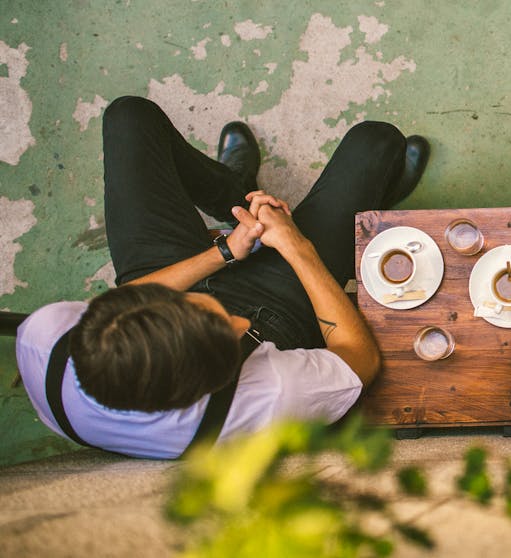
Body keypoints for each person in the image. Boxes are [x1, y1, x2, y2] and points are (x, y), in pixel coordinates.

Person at [15, 96, 429, 459]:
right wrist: (295, 245)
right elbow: (360, 359)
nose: (240, 322)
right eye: (228, 335)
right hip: (278, 312)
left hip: (174, 270)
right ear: (208, 384)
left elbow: (124, 300)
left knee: (129, 116)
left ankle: (232, 191)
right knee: (376, 142)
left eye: (209, 313)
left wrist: (226, 250)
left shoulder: (44, 340)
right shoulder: (267, 396)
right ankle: (370, 202)